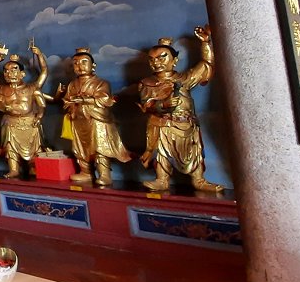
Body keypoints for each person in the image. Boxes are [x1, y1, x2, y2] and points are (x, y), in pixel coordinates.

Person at [138, 27, 223, 192]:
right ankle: (162, 179)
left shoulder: (183, 79)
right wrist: (163, 105)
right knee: (161, 151)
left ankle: (198, 179)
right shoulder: (146, 83)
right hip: (163, 124)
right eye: (152, 59)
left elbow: (205, 66)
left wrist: (205, 43)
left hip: (186, 123)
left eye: (162, 58)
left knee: (195, 150)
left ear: (174, 61)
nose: (157, 63)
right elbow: (146, 106)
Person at [61, 48, 132, 186]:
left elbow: (104, 99)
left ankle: (104, 174)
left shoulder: (101, 83)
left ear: (93, 66)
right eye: (76, 63)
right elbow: (66, 100)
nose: (79, 66)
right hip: (78, 121)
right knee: (80, 148)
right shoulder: (72, 85)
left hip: (96, 120)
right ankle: (86, 172)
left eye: (84, 62)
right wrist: (70, 104)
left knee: (100, 148)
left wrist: (84, 100)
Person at [0, 44, 48, 178]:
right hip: (10, 122)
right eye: (6, 71)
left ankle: (33, 167)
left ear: (22, 74)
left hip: (30, 122)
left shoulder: (32, 87)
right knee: (10, 147)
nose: (10, 73)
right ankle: (14, 169)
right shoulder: (2, 89)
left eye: (14, 70)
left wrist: (39, 55)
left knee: (35, 148)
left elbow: (44, 71)